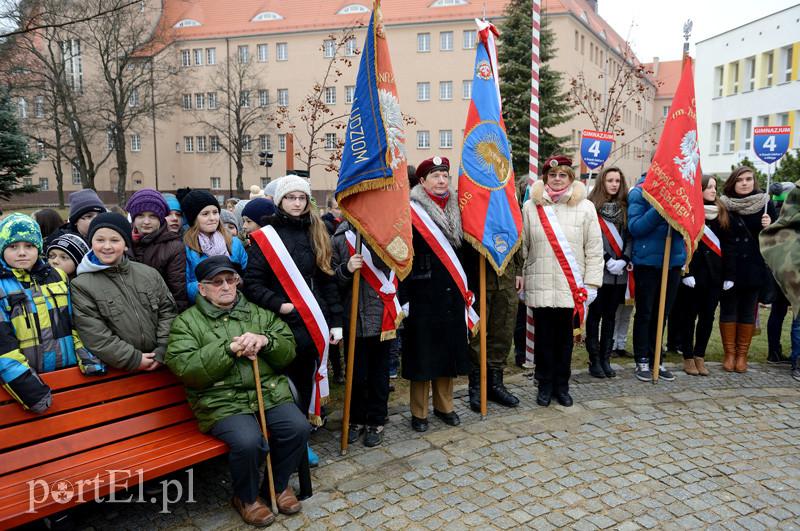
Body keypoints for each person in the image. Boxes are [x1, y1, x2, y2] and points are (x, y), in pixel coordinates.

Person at [165, 256, 308, 526]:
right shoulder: (186, 323)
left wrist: (266, 341)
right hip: (220, 400)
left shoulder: (258, 313)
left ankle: (275, 487)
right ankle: (246, 497)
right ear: (202, 288)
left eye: (231, 280)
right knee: (247, 441)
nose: (226, 286)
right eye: (216, 282)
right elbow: (187, 368)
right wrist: (227, 350)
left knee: (297, 427)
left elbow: (288, 350)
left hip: (267, 391)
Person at [243, 175, 343, 465]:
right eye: (290, 198)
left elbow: (327, 280)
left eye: (301, 198)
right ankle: (290, 441)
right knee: (288, 385)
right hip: (282, 323)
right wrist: (281, 306)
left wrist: (335, 319)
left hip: (315, 319)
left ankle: (305, 435)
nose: (297, 203)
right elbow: (253, 285)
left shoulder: (318, 230)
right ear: (280, 201)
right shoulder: (265, 237)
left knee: (309, 378)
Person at [0, 214, 105, 412]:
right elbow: (4, 350)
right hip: (32, 384)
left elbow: (77, 323)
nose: (22, 253)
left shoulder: (57, 277)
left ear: (38, 248)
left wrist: (88, 358)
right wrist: (31, 391)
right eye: (13, 247)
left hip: (70, 373)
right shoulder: (2, 287)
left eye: (29, 246)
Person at [521, 155, 603, 407]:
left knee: (565, 341)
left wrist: (591, 284)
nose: (557, 179)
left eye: (563, 175)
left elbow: (594, 248)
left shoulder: (585, 207)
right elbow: (524, 247)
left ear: (570, 178)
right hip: (541, 283)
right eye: (553, 175)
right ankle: (544, 385)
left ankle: (562, 386)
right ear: (545, 178)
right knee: (544, 340)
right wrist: (520, 278)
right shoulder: (530, 207)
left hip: (572, 286)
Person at [401, 156, 472, 430]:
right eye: (435, 176)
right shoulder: (410, 211)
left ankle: (445, 406)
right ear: (422, 181)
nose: (442, 181)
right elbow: (403, 258)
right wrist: (404, 298)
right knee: (422, 356)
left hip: (452, 293)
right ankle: (418, 413)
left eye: (445, 175)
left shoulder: (458, 207)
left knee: (447, 352)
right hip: (422, 294)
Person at [71, 213, 177, 372]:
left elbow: (167, 312)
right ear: (91, 243)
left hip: (160, 362)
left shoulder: (149, 274)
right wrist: (133, 358)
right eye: (100, 240)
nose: (107, 246)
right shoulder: (81, 285)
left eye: (115, 240)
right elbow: (95, 334)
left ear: (126, 245)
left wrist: (163, 348)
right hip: (120, 369)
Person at [332, 221, 396, 447]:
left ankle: (376, 420)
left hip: (381, 316)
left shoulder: (385, 233)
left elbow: (395, 265)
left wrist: (374, 246)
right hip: (354, 318)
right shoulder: (340, 238)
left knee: (379, 373)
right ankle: (356, 418)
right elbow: (332, 280)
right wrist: (346, 270)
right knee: (356, 374)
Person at [672, 175, 735, 375]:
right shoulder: (689, 213)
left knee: (708, 318)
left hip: (715, 276)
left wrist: (729, 275)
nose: (713, 191)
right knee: (688, 317)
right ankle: (688, 357)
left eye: (715, 187)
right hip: (693, 276)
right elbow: (682, 245)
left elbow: (729, 247)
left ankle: (700, 355)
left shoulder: (722, 213)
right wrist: (685, 273)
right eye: (708, 187)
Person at [628, 170, 686, 382]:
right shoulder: (639, 192)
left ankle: (656, 359)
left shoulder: (681, 192)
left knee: (664, 313)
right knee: (646, 313)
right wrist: (659, 208)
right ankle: (642, 358)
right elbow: (635, 227)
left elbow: (687, 227)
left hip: (673, 262)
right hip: (648, 262)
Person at [718, 166, 777, 372]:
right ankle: (730, 354)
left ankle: (742, 355)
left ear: (755, 181)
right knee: (728, 310)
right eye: (740, 179)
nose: (745, 183)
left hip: (754, 268)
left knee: (747, 312)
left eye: (749, 179)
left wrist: (770, 224)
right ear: (733, 182)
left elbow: (776, 238)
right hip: (729, 268)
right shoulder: (723, 204)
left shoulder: (765, 204)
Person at [585, 167, 630, 379]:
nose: (614, 184)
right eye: (610, 180)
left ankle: (606, 358)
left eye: (617, 181)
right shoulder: (591, 207)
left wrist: (624, 259)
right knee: (595, 316)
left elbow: (631, 237)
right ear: (602, 182)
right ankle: (594, 359)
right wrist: (606, 259)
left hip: (619, 272)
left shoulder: (626, 207)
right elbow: (589, 238)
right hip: (598, 271)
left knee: (611, 316)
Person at [760, 181, 800, 380]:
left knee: (780, 311)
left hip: (782, 265)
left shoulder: (783, 201)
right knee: (788, 312)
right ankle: (787, 357)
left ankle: (775, 352)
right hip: (789, 266)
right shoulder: (791, 200)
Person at [127, 189, 189, 312]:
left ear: (161, 219)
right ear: (133, 219)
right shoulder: (122, 241)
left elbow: (177, 294)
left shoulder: (173, 247)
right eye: (140, 215)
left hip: (159, 313)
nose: (146, 222)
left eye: (153, 216)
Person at [181, 190, 248, 303]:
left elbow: (248, 275)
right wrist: (210, 287)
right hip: (203, 307)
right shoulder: (186, 247)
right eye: (205, 214)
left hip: (235, 303)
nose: (212, 218)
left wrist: (235, 282)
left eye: (215, 212)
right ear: (194, 218)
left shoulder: (234, 243)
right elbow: (184, 285)